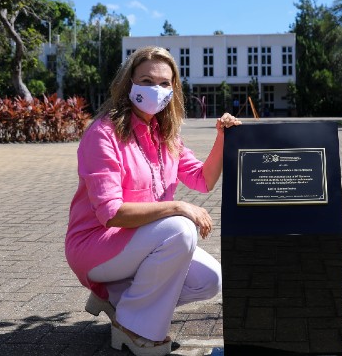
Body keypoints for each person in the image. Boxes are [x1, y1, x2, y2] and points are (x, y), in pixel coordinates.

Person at [65, 46, 241, 356]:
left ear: (173, 89)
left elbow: (203, 180)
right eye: (146, 80)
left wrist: (223, 137)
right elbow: (111, 213)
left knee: (210, 281)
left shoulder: (166, 134)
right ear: (128, 82)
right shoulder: (103, 134)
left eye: (164, 84)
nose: (155, 89)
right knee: (180, 229)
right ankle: (136, 329)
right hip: (95, 244)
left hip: (140, 242)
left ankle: (118, 296)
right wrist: (177, 207)